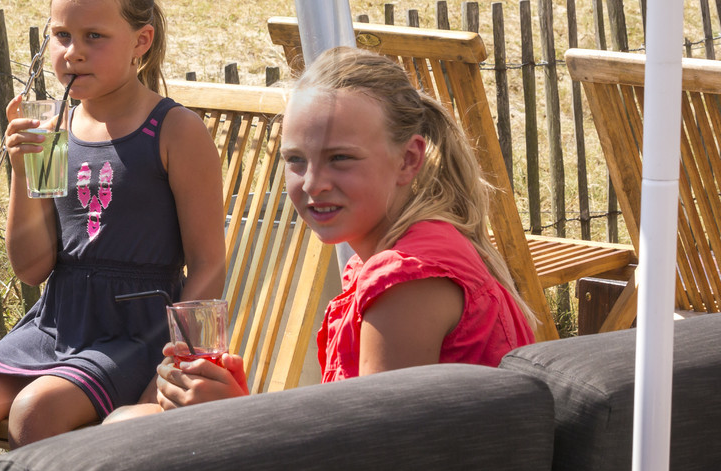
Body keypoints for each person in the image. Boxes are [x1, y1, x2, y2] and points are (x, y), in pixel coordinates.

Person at [0, 0, 226, 471]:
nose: (72, 53)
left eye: (93, 36)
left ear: (141, 40)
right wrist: (23, 166)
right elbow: (32, 268)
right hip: (59, 319)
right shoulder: (53, 129)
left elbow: (208, 264)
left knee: (35, 412)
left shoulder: (175, 132)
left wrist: (175, 366)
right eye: (60, 35)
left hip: (136, 330)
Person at [126, 46, 534, 414]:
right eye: (296, 160)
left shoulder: (408, 278)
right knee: (129, 423)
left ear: (409, 159)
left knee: (128, 434)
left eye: (340, 158)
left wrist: (236, 415)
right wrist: (237, 404)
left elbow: (370, 459)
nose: (312, 183)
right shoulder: (402, 249)